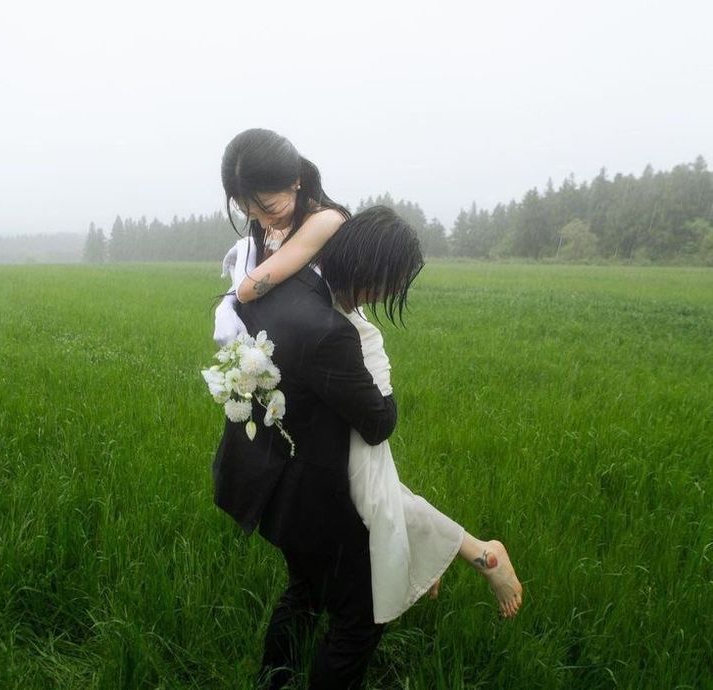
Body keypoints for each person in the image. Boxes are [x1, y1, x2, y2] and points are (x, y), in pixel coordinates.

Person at [212, 129, 523, 687]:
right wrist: (384, 381)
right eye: (390, 284)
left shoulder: (273, 271)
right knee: (359, 617)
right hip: (313, 494)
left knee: (306, 590)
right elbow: (378, 424)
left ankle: (272, 679)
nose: (386, 296)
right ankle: (476, 555)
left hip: (266, 475)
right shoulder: (331, 330)